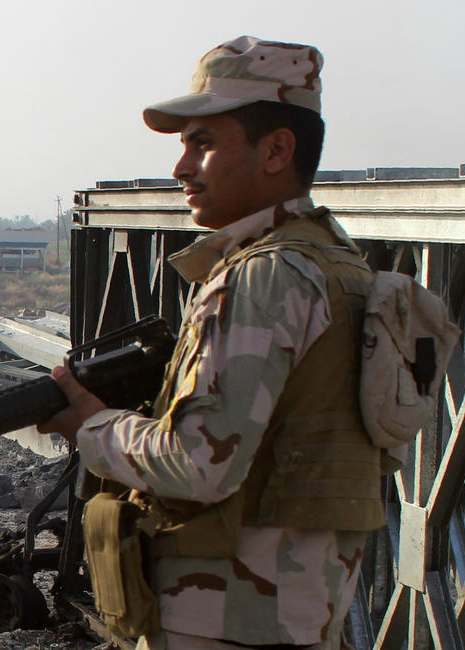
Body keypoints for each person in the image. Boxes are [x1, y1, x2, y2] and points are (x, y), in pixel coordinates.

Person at [40, 36, 379, 649]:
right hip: (299, 610)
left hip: (222, 617)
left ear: (277, 150)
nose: (181, 168)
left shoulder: (259, 277)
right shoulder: (341, 266)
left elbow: (199, 463)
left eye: (204, 143)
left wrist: (92, 426)